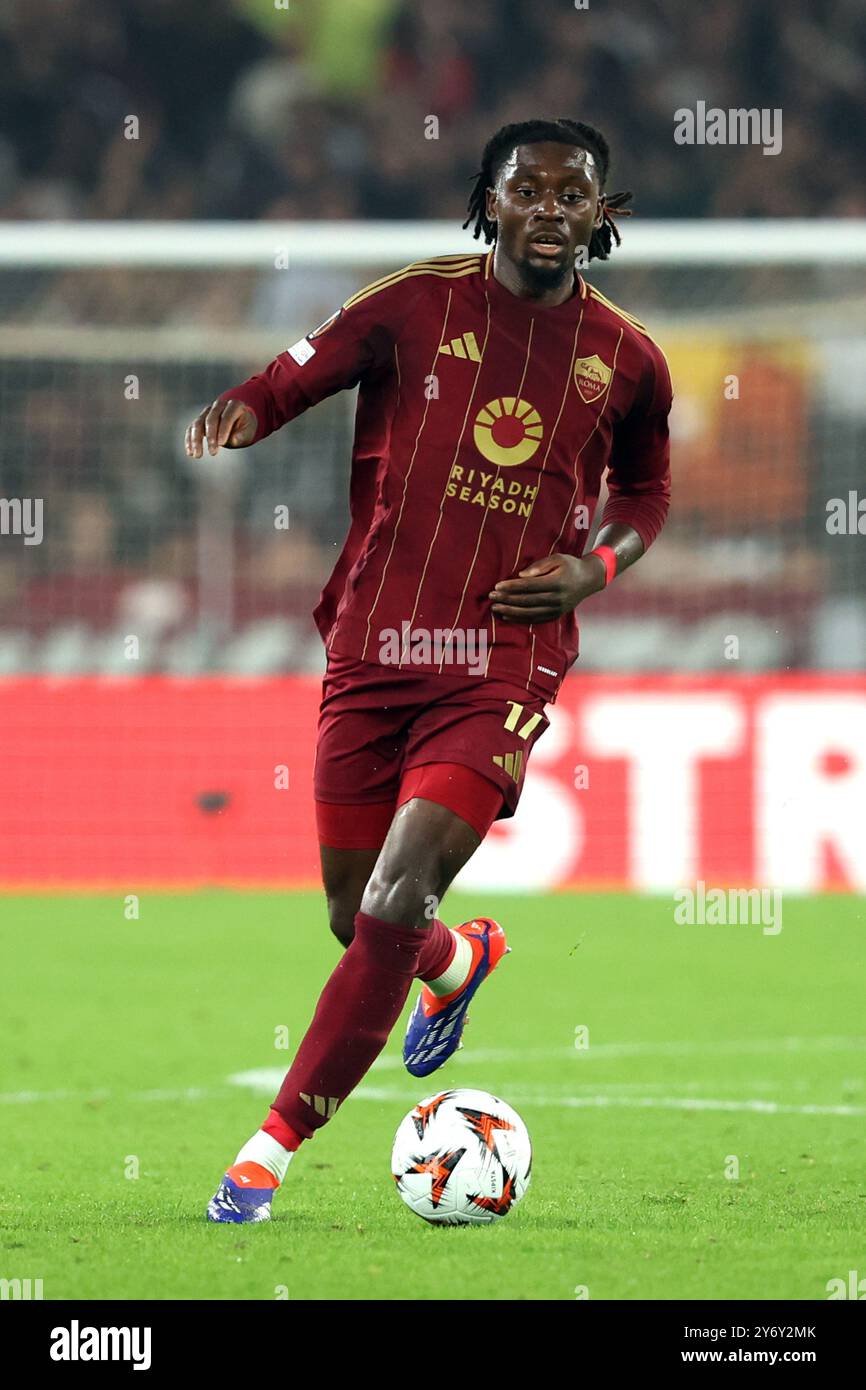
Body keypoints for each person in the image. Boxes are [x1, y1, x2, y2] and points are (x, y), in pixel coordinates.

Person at [184, 116, 672, 1223]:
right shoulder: (415, 303)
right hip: (374, 643)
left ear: (601, 214)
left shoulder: (628, 360)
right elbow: (295, 372)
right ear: (487, 202)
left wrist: (591, 569)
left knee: (398, 895)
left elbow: (646, 498)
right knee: (355, 912)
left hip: (499, 660)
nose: (549, 207)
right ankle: (457, 963)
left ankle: (269, 1148)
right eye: (527, 189)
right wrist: (243, 414)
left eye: (572, 192)